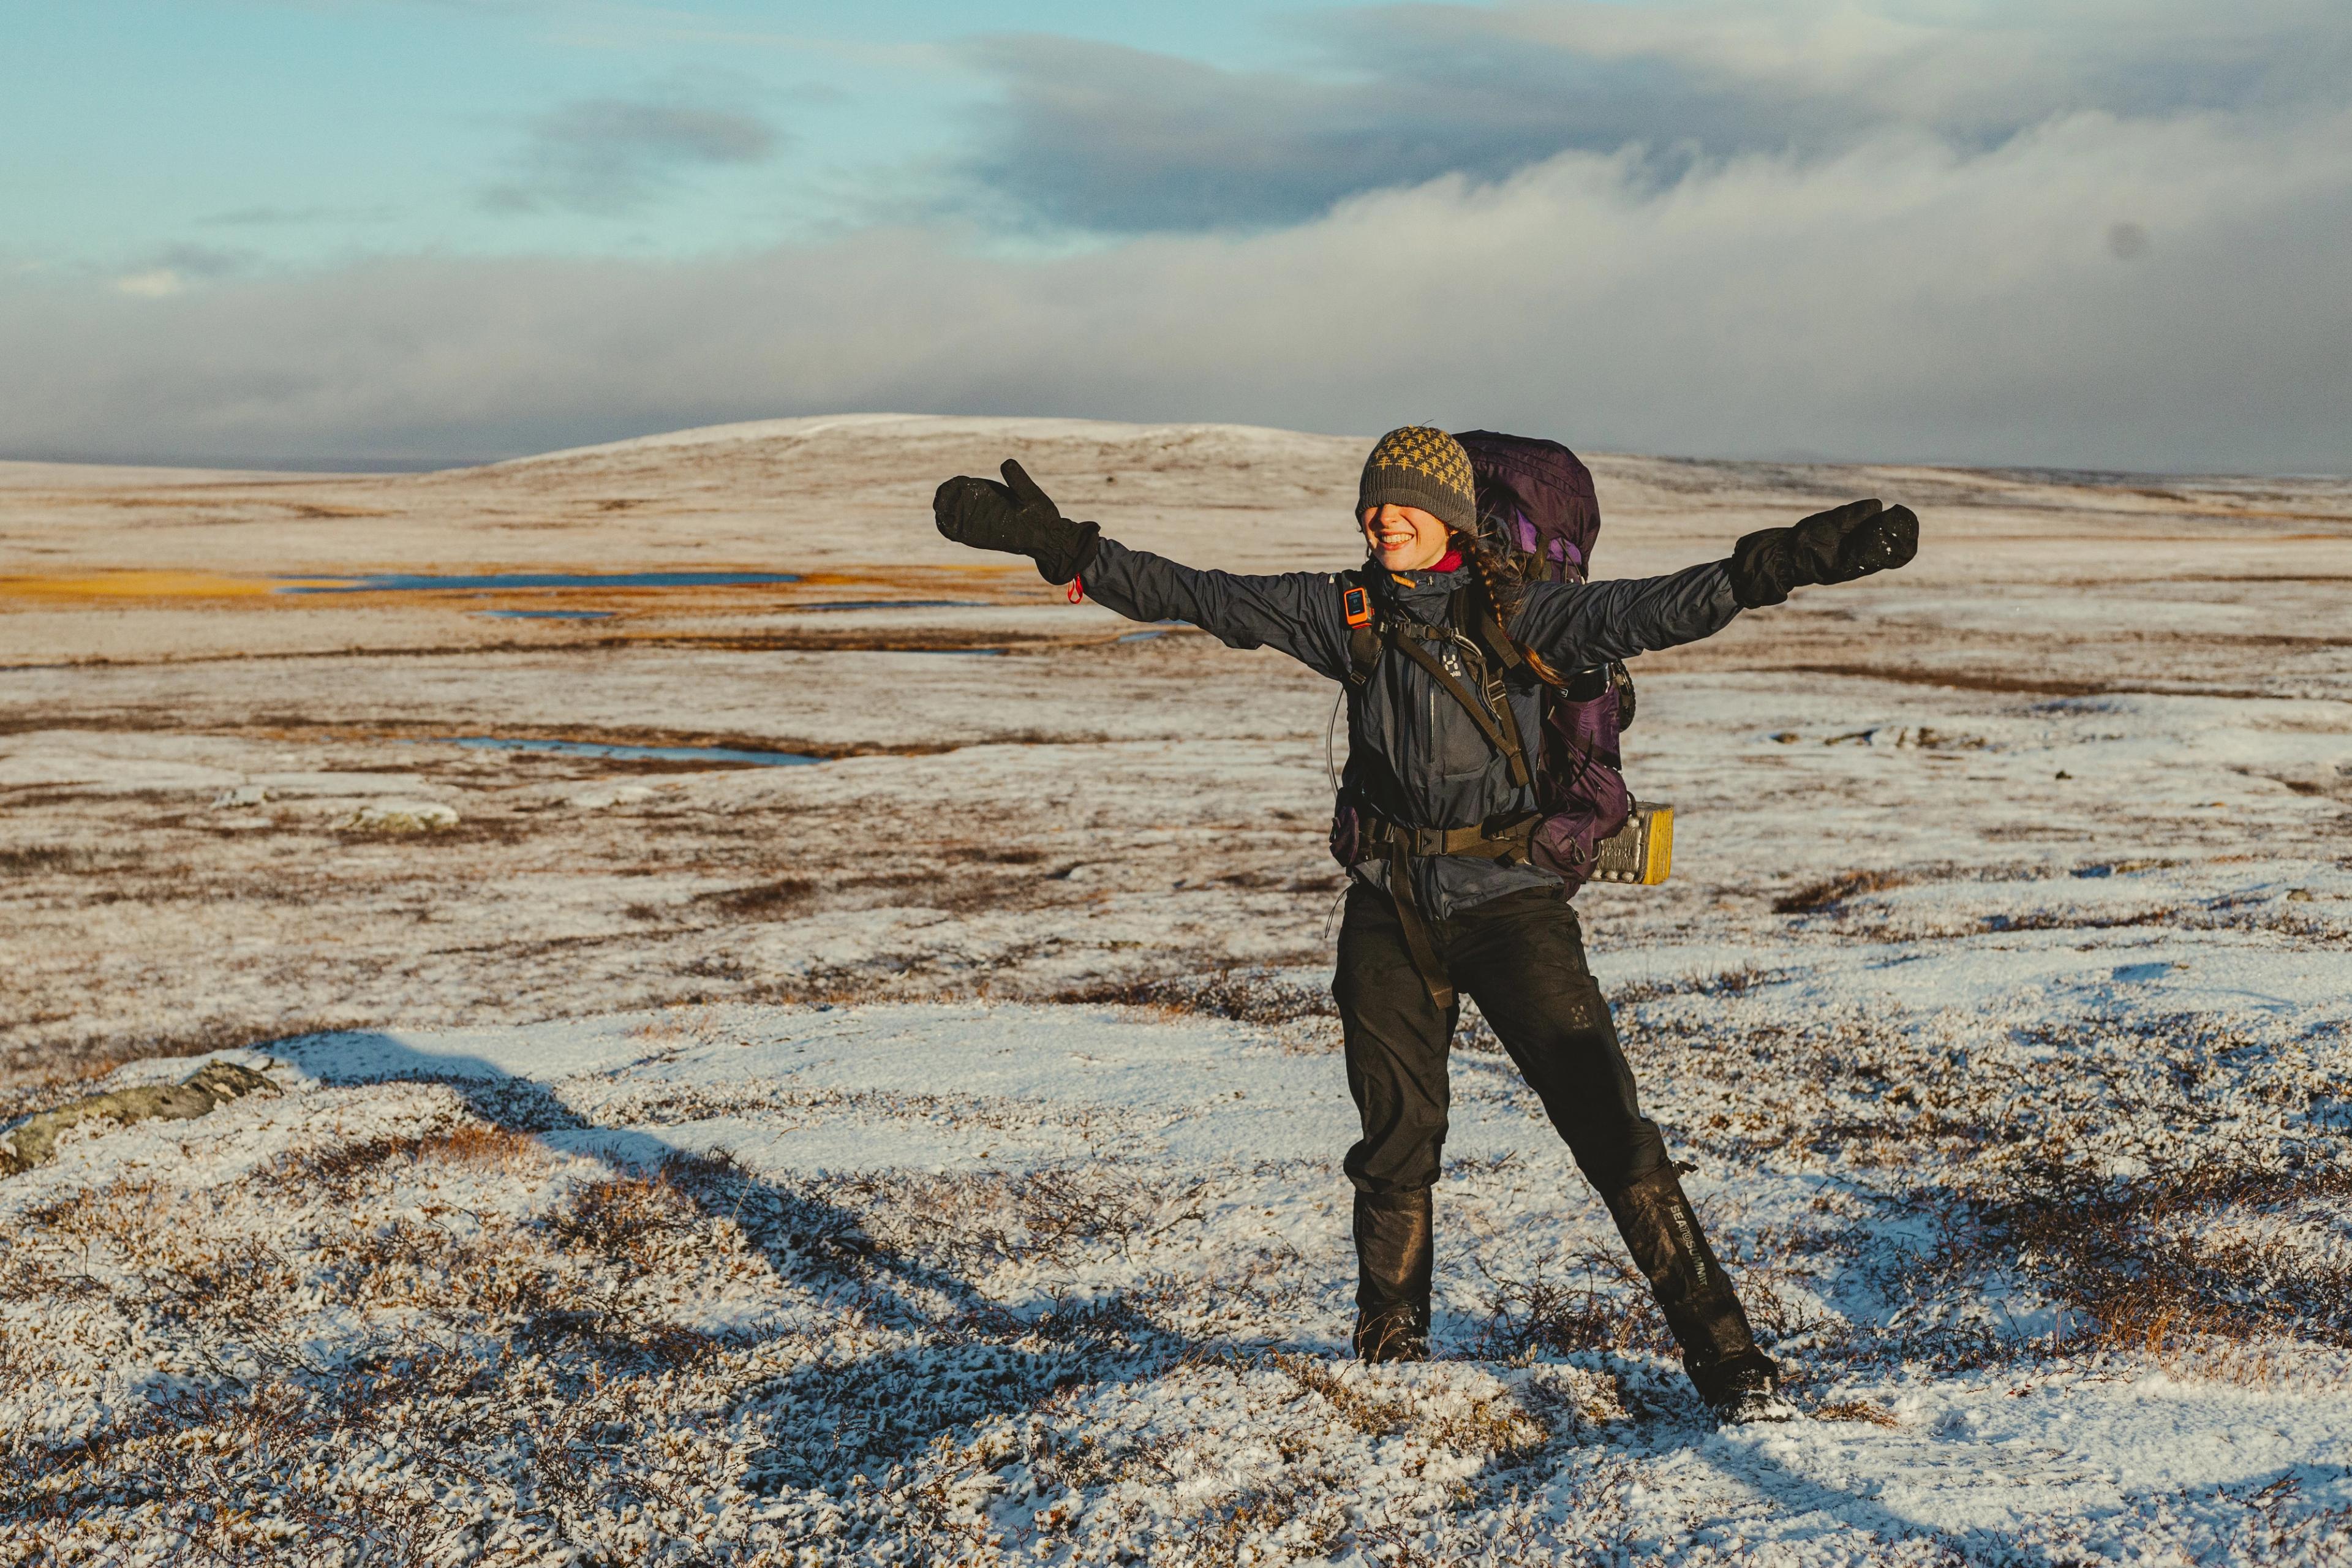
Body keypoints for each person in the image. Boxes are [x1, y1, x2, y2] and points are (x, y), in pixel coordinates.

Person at [932, 427, 1917, 1423]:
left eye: (1400, 504)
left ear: (1449, 515)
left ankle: (1730, 1363)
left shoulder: (1526, 611)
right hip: (1389, 911)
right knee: (1395, 1143)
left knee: (1610, 1131)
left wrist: (1779, 565)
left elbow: (1661, 607)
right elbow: (1207, 595)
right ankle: (1392, 1358)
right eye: (1371, 504)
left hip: (1511, 909)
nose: (1380, 518)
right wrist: (1075, 553)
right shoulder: (1346, 609)